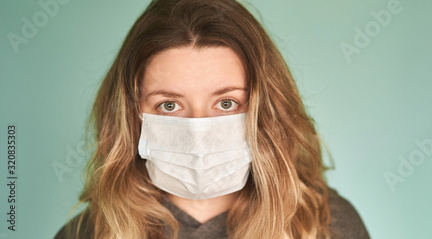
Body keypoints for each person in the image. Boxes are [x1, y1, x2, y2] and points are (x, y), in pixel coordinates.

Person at [54, 0, 370, 238]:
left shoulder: (327, 225)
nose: (199, 133)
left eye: (226, 102)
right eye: (168, 106)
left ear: (265, 110)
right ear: (132, 112)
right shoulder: (87, 233)